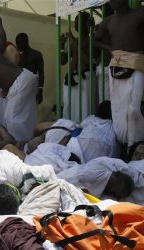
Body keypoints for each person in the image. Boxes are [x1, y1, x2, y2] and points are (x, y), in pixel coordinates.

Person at [95, 0, 144, 149]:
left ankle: (135, 144)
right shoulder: (108, 21)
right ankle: (122, 144)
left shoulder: (139, 14)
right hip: (116, 65)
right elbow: (96, 39)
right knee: (117, 109)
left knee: (134, 108)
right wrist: (109, 49)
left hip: (136, 63)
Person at [61, 12, 95, 122]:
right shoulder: (73, 41)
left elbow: (87, 61)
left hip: (85, 79)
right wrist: (61, 46)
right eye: (75, 23)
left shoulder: (91, 40)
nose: (75, 26)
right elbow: (63, 61)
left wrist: (72, 39)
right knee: (70, 110)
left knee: (84, 112)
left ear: (86, 24)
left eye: (78, 22)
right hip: (72, 79)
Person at [16, 32, 45, 104]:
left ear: (26, 42)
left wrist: (40, 90)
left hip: (32, 88)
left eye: (19, 43)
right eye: (17, 43)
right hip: (19, 89)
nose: (18, 46)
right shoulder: (18, 56)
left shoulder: (36, 54)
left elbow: (41, 73)